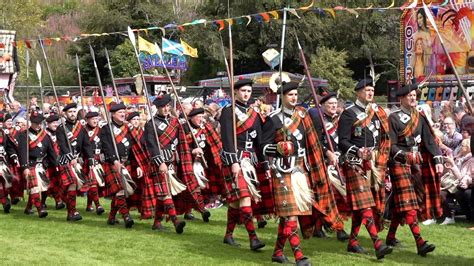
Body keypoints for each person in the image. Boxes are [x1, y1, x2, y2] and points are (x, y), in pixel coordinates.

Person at [262, 82, 342, 265]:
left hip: (301, 169)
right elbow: (263, 147)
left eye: (296, 94)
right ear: (282, 97)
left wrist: (327, 152)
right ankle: (299, 257)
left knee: (291, 215)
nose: (294, 97)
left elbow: (313, 140)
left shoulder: (303, 116)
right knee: (290, 215)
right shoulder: (273, 119)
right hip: (282, 171)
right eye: (290, 95)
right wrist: (278, 148)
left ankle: (277, 253)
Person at [338, 78, 393, 259]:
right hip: (355, 162)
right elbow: (343, 141)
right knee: (365, 203)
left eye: (372, 90)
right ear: (358, 92)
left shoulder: (377, 112)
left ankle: (352, 242)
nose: (370, 93)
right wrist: (357, 151)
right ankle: (378, 244)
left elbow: (385, 137)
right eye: (367, 90)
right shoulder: (348, 113)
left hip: (374, 163)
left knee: (360, 207)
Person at [386, 84, 442, 256]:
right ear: (401, 98)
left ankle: (390, 237)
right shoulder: (393, 118)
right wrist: (404, 155)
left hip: (416, 163)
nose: (412, 98)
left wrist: (437, 158)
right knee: (409, 202)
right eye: (409, 96)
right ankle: (420, 242)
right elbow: (391, 145)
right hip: (398, 163)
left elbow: (429, 140)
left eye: (414, 95)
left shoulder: (420, 116)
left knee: (400, 203)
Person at [219, 79, 266, 251]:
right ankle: (253, 239)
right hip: (236, 160)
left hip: (250, 160)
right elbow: (227, 139)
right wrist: (233, 162)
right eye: (243, 91)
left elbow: (259, 141)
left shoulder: (254, 113)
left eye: (249, 91)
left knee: (235, 202)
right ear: (236, 92)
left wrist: (265, 164)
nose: (246, 94)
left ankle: (228, 235)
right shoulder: (228, 112)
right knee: (244, 197)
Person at [308, 91, 350, 241]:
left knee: (338, 198)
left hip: (339, 160)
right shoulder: (318, 120)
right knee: (329, 196)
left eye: (334, 104)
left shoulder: (340, 120)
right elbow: (315, 142)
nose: (333, 106)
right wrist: (327, 153)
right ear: (323, 106)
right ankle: (339, 229)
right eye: (329, 104)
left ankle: (318, 227)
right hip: (324, 162)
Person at [145, 94, 188, 234]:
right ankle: (176, 221)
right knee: (166, 192)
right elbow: (151, 146)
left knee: (162, 194)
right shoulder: (151, 124)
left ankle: (157, 222)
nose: (165, 109)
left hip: (172, 162)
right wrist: (160, 162)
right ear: (157, 107)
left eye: (168, 106)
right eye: (162, 106)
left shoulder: (175, 122)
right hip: (159, 163)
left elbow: (182, 141)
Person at [101, 103, 144, 228]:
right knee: (120, 189)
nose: (123, 114)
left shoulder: (128, 128)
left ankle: (112, 217)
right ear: (113, 114)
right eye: (120, 112)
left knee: (124, 191)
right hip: (112, 163)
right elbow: (106, 147)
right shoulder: (106, 129)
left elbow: (134, 149)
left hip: (126, 162)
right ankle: (126, 217)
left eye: (124, 112)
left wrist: (137, 165)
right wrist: (114, 161)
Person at [15, 111, 58, 218]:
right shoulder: (23, 135)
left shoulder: (45, 136)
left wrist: (55, 165)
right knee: (34, 188)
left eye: (40, 123)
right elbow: (22, 153)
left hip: (42, 165)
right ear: (31, 122)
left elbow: (51, 152)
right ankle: (40, 209)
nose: (38, 125)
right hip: (30, 165)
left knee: (40, 188)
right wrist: (25, 167)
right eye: (36, 123)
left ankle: (29, 207)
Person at [83, 111, 105, 215]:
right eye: (93, 119)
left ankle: (89, 205)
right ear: (87, 120)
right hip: (88, 158)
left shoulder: (101, 131)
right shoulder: (83, 131)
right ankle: (98, 205)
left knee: (95, 184)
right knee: (93, 183)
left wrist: (103, 154)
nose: (95, 121)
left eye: (96, 119)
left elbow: (105, 144)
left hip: (99, 158)